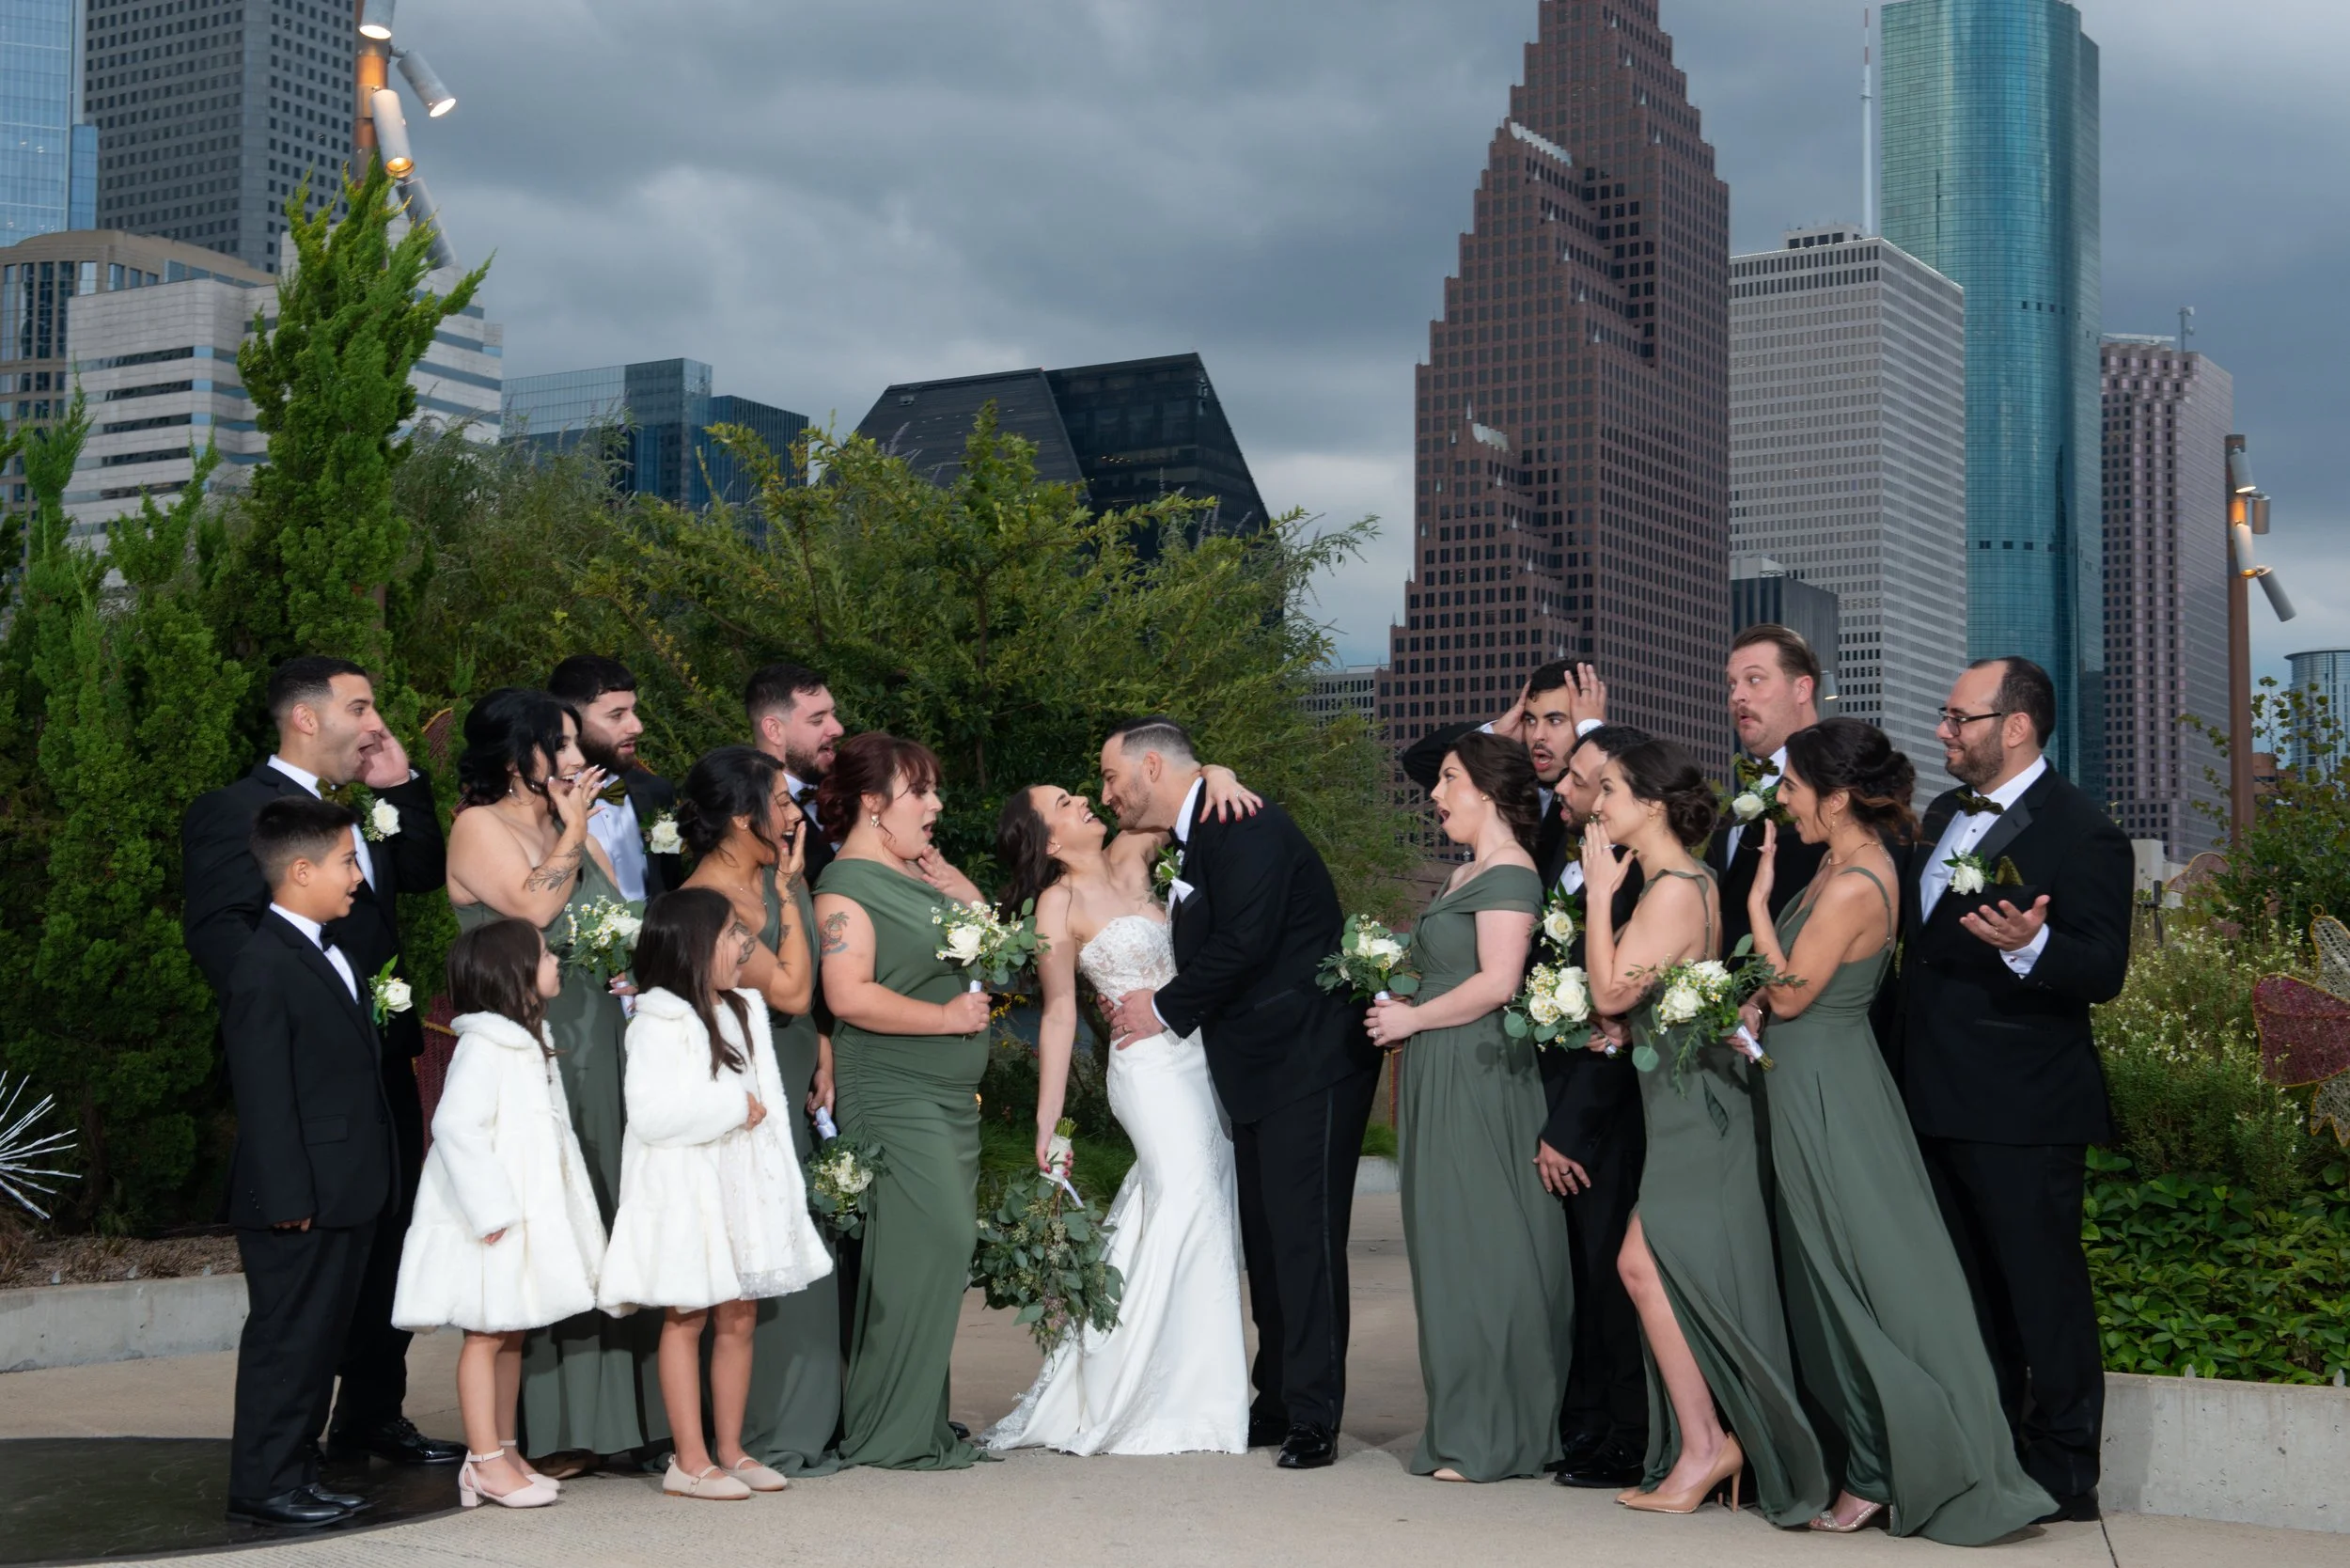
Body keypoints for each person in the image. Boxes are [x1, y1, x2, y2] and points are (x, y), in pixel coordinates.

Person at [1739, 717, 2053, 1541]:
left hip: (1829, 1092)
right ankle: (1872, 1457)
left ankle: (1891, 1469)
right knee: (1834, 1276)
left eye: (1794, 788)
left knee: (1852, 1279)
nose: (1783, 800)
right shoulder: (1846, 864)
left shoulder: (1853, 881)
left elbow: (1791, 994)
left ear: (1837, 798)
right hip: (1816, 1082)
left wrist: (1753, 905)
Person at [181, 655, 462, 1470]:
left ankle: (373, 1414)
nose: (376, 724)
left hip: (383, 1070)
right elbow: (224, 937)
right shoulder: (234, 812)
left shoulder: (361, 813)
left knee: (387, 1243)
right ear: (306, 717)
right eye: (362, 708)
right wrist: (309, 1027)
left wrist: (402, 785)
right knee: (314, 1273)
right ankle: (285, 1455)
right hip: (309, 1076)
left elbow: (413, 874)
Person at [1102, 718, 1378, 1472]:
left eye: (1111, 779)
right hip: (1258, 1068)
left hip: (1311, 1062)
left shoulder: (1243, 824)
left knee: (1305, 1242)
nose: (1107, 795)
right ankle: (1280, 1398)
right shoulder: (1204, 829)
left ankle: (1314, 1417)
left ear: (1151, 768)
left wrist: (1159, 1008)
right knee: (1267, 1240)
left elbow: (1245, 942)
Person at [1890, 658, 2131, 1524]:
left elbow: (2103, 969)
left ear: (2016, 725)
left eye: (1960, 718)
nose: (1945, 732)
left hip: (2023, 1108)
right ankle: (1987, 1454)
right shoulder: (1944, 815)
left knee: (2042, 1292)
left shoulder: (2082, 830)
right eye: (1946, 716)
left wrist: (2027, 947)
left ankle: (2068, 1474)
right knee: (1964, 1294)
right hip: (1928, 1099)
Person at [980, 765, 1263, 1456]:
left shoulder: (1134, 850)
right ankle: (1131, 1387)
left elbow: (1189, 789)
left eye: (1079, 794)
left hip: (1199, 1057)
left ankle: (1197, 1388)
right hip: (1144, 1069)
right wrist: (1048, 1123)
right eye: (1064, 801)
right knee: (1188, 1196)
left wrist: (1220, 772)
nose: (1082, 800)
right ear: (1046, 842)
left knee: (1199, 1202)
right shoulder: (1058, 904)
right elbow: (1056, 1015)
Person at [1581, 741, 1827, 1522]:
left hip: (1695, 1113)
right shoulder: (1687, 881)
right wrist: (1625, 1031)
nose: (1598, 805)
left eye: (1612, 790)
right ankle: (1706, 1441)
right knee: (1651, 1270)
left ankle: (1707, 1444)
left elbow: (1613, 989)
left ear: (1652, 804)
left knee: (1641, 1265)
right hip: (1686, 1102)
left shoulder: (1672, 891)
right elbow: (1666, 997)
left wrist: (1595, 897)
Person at [445, 687, 656, 1473]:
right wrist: (572, 827)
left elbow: (621, 922)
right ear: (515, 759)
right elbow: (534, 906)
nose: (577, 759)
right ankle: (563, 1425)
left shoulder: (577, 827)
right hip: (537, 1044)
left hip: (607, 1033)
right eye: (561, 745)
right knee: (559, 1217)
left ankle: (631, 1418)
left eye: (576, 742)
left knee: (613, 1203)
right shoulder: (478, 828)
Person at [1366, 731, 1569, 1482]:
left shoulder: (1511, 874)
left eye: (1449, 779)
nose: (1435, 793)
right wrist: (1400, 997)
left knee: (1486, 1248)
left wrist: (1413, 1018)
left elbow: (1498, 982)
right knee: (1447, 1248)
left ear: (1485, 788)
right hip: (1438, 1070)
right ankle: (1462, 1423)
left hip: (1481, 1075)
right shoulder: (1464, 875)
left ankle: (1494, 1433)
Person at [598, 888, 833, 1500]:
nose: (743, 945)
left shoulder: (741, 1010)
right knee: (688, 1314)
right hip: (686, 1192)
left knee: (739, 1312)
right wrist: (732, 1108)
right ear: (693, 947)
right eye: (731, 934)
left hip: (738, 1184)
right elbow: (650, 1115)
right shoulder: (655, 1022)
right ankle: (689, 1458)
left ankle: (730, 1449)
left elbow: (766, 1103)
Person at [813, 733, 994, 1470]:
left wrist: (957, 887)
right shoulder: (844, 887)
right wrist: (946, 1020)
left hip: (948, 1100)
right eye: (919, 791)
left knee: (935, 1252)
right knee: (932, 1243)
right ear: (872, 803)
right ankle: (886, 1427)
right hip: (890, 1090)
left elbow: (989, 943)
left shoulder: (919, 876)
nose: (936, 804)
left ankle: (915, 1419)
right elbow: (847, 994)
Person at [220, 797, 400, 1529]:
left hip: (345, 1187)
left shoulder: (334, 950)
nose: (358, 876)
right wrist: (290, 1193)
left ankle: (297, 1471)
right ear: (300, 871)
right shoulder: (264, 965)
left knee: (319, 1340)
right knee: (288, 1342)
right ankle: (265, 1484)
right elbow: (262, 1094)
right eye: (347, 861)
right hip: (300, 1196)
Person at [391, 919, 608, 1512]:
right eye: (543, 954)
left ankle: (506, 1451)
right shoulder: (486, 1045)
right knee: (485, 1336)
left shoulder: (523, 1039)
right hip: (489, 1219)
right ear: (514, 973)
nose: (555, 960)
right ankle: (484, 1462)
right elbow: (455, 1126)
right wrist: (491, 1210)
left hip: (518, 1216)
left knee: (510, 1330)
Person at [676, 745, 839, 1477]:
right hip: (750, 1088)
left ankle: (809, 1412)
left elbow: (809, 1012)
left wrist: (824, 1047)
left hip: (798, 1062)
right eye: (778, 801)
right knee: (760, 1251)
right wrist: (792, 899)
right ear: (743, 817)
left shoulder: (767, 876)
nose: (791, 812)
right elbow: (795, 993)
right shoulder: (714, 900)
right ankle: (770, 1424)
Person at [1539, 723, 1652, 1489]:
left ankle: (1626, 1438)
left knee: (1611, 1275)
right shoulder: (1576, 864)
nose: (1567, 791)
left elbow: (1618, 1025)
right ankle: (1583, 1423)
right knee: (1579, 1276)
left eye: (1587, 781)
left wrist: (1571, 1127)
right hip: (1556, 1086)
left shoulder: (1640, 880)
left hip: (1608, 1107)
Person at [1398, 660, 1608, 887]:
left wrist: (1593, 734)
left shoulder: (1612, 786)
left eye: (1554, 721)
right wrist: (1495, 733)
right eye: (1530, 720)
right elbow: (1420, 761)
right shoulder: (1510, 778)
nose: (1538, 735)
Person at [1706, 625, 1830, 961]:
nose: (1737, 696)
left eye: (1754, 679)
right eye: (1732, 684)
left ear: (1802, 689)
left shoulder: (1834, 782)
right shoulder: (1740, 797)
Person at [550, 654, 682, 904]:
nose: (637, 727)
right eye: (617, 715)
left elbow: (670, 878)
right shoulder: (541, 804)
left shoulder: (658, 793)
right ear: (568, 722)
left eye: (634, 712)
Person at [747, 661, 846, 884]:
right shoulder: (749, 811)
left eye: (833, 715)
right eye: (818, 720)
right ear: (774, 730)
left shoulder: (850, 785)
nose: (838, 729)